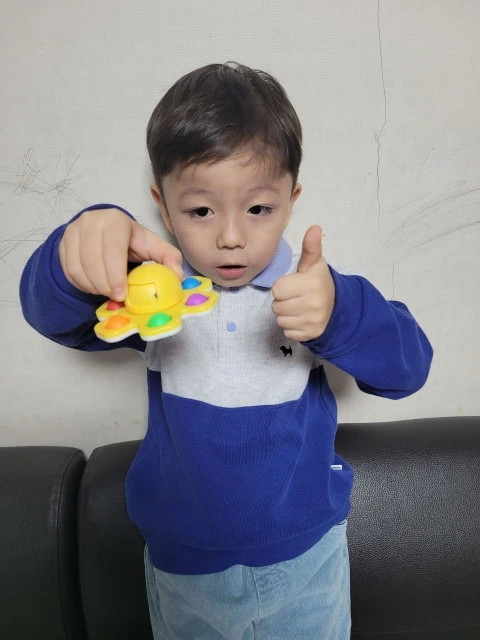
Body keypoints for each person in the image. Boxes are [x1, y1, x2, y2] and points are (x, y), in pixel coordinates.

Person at [19, 61, 433, 639]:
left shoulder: (313, 290)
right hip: (183, 566)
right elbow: (52, 317)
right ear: (164, 207)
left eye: (259, 208)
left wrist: (340, 311)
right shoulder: (154, 294)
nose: (231, 237)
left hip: (306, 558)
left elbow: (409, 369)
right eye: (200, 211)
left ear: (291, 199)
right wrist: (76, 251)